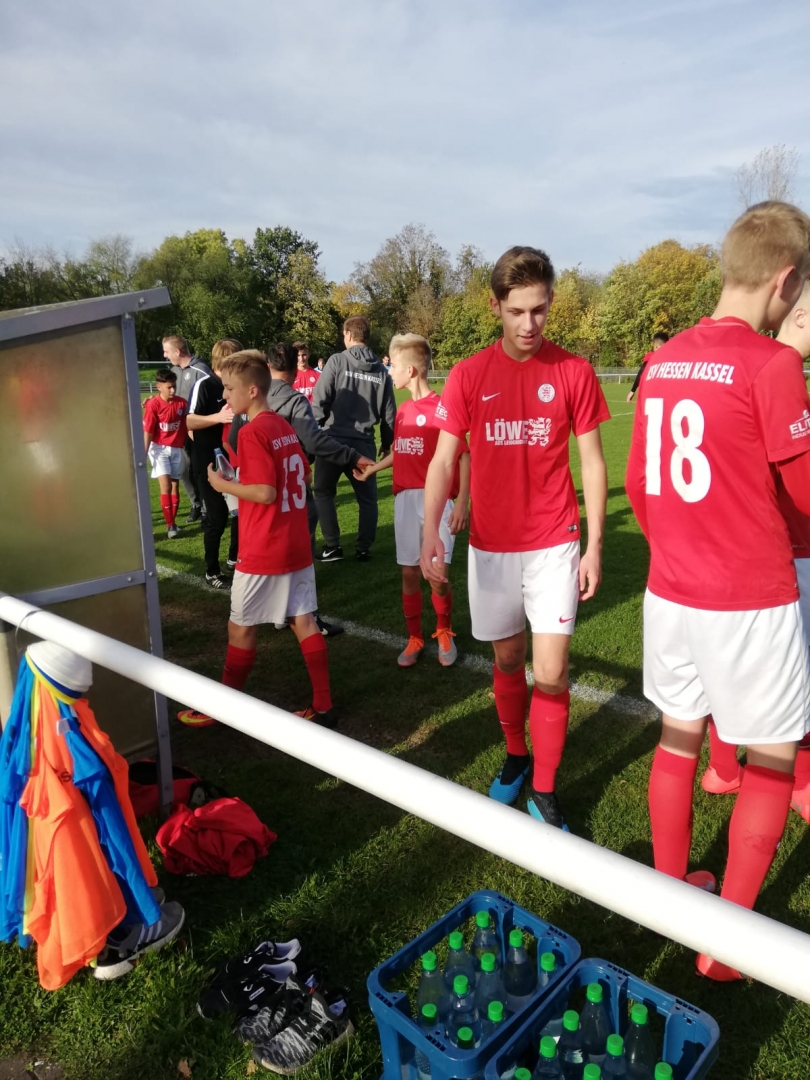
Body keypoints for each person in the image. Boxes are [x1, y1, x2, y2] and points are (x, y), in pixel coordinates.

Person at [625, 201, 810, 982]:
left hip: (671, 590)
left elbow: (640, 484)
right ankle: (725, 945)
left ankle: (670, 897)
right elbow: (804, 497)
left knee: (677, 738)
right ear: (786, 281)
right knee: (770, 759)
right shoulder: (773, 365)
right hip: (749, 598)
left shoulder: (664, 358)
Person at [421, 246, 610, 830]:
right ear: (495, 306)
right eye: (517, 311)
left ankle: (546, 791)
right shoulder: (469, 374)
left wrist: (594, 545)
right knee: (506, 658)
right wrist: (431, 533)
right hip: (491, 546)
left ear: (550, 302)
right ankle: (516, 753)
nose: (530, 324)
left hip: (555, 541)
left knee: (550, 671)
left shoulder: (573, 371)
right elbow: (443, 460)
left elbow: (593, 461)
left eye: (540, 310)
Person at [178, 351, 337, 729]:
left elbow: (265, 492)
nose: (224, 396)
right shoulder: (282, 425)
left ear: (252, 390)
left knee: (240, 627)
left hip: (264, 546)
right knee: (303, 621)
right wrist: (240, 478)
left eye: (229, 388)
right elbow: (296, 474)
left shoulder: (252, 431)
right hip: (295, 542)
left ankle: (222, 707)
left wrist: (222, 484)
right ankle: (324, 704)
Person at [701, 277, 810, 816]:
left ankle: (723, 767)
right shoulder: (776, 371)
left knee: (726, 669)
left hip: (721, 559)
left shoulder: (736, 369)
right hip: (784, 555)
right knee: (794, 673)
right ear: (800, 316)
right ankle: (800, 781)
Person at [227, 343, 376, 636]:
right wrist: (350, 455)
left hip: (258, 501)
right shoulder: (293, 402)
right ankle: (305, 617)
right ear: (295, 371)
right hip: (290, 501)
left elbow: (233, 440)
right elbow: (314, 442)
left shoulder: (246, 401)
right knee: (297, 565)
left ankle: (276, 616)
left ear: (267, 368)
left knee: (258, 561)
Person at [354, 333, 470, 668]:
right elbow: (401, 452)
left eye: (393, 366)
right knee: (409, 574)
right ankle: (415, 637)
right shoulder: (403, 411)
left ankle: (444, 630)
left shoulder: (442, 409)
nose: (389, 371)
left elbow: (463, 455)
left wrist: (463, 502)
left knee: (437, 575)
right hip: (405, 500)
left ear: (411, 371)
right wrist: (374, 469)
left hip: (438, 501)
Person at [310, 316, 396, 562]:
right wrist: (387, 444)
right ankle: (363, 548)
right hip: (364, 443)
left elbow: (320, 401)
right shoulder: (381, 370)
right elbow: (389, 414)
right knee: (367, 499)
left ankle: (333, 546)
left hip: (332, 440)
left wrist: (313, 432)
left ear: (348, 334)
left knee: (324, 492)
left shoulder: (337, 361)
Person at [186, 348, 234, 589]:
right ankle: (212, 571)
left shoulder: (235, 385)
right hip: (208, 463)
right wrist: (218, 417)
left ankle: (235, 560)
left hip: (234, 459)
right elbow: (189, 421)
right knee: (217, 517)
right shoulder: (204, 385)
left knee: (241, 514)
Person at [163, 334, 212, 522]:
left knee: (200, 470)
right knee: (183, 471)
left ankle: (207, 508)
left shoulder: (201, 370)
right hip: (179, 432)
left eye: (167, 351)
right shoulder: (173, 371)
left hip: (199, 431)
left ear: (177, 351)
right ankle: (196, 504)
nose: (165, 355)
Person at [210, 338, 244, 572]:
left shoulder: (242, 396)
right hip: (234, 465)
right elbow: (225, 439)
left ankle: (237, 556)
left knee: (243, 515)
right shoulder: (209, 387)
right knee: (237, 515)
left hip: (237, 464)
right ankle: (232, 557)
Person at [142, 369, 188, 539]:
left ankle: (173, 523)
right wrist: (143, 453)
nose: (173, 390)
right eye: (169, 387)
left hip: (176, 448)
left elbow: (188, 425)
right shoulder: (153, 405)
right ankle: (170, 525)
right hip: (159, 448)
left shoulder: (182, 404)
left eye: (174, 386)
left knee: (175, 486)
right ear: (159, 387)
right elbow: (148, 431)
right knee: (166, 486)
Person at [626, 332, 669, 403]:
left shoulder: (651, 357)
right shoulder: (672, 358)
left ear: (655, 346)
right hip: (666, 396)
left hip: (650, 396)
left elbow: (642, 371)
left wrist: (632, 390)